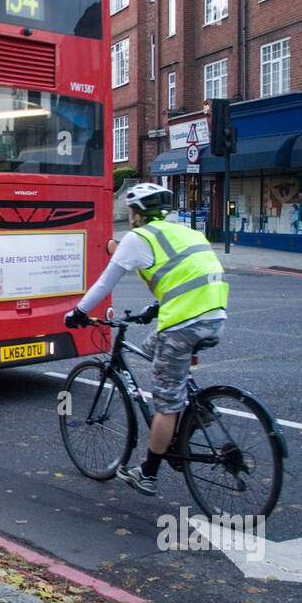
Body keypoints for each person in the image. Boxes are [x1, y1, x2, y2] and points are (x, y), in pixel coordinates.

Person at [65, 183, 228, 496]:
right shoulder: (185, 232)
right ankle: (196, 409)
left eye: (130, 211)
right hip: (214, 315)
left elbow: (104, 283)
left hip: (184, 322)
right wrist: (155, 307)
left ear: (136, 213)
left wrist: (78, 312)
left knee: (165, 402)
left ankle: (148, 473)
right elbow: (187, 274)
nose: (130, 216)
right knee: (154, 349)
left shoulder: (138, 238)